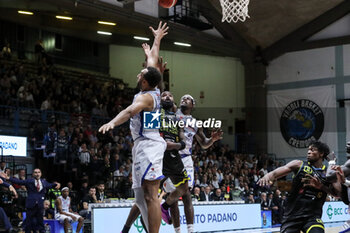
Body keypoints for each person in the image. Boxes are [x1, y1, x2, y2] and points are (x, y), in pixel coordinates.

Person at [99, 21, 168, 233]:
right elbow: (153, 60)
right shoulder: (150, 85)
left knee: (150, 194)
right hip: (141, 145)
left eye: (141, 74)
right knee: (139, 197)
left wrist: (112, 122)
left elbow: (129, 112)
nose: (138, 74)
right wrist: (157, 39)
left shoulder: (147, 98)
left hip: (151, 144)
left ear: (146, 82)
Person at [168, 94, 223, 233]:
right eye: (182, 98)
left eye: (188, 99)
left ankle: (191, 230)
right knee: (172, 197)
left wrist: (212, 140)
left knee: (186, 194)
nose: (184, 99)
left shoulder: (196, 123)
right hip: (171, 156)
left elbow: (204, 144)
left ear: (193, 105)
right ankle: (177, 231)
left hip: (186, 158)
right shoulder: (174, 111)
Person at [257, 141, 333, 233]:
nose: (308, 152)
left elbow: (336, 194)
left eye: (312, 150)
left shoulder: (328, 173)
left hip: (312, 217)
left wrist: (321, 187)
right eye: (308, 149)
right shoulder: (299, 164)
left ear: (321, 154)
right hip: (292, 216)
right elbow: (275, 173)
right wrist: (267, 176)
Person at [0, 168, 60, 233]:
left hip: (40, 205)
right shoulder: (29, 181)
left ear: (41, 174)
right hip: (31, 204)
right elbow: (19, 182)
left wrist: (57, 184)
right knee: (29, 222)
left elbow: (50, 185)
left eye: (38, 172)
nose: (37, 174)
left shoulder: (44, 182)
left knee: (40, 222)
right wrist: (8, 178)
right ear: (33, 174)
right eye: (35, 172)